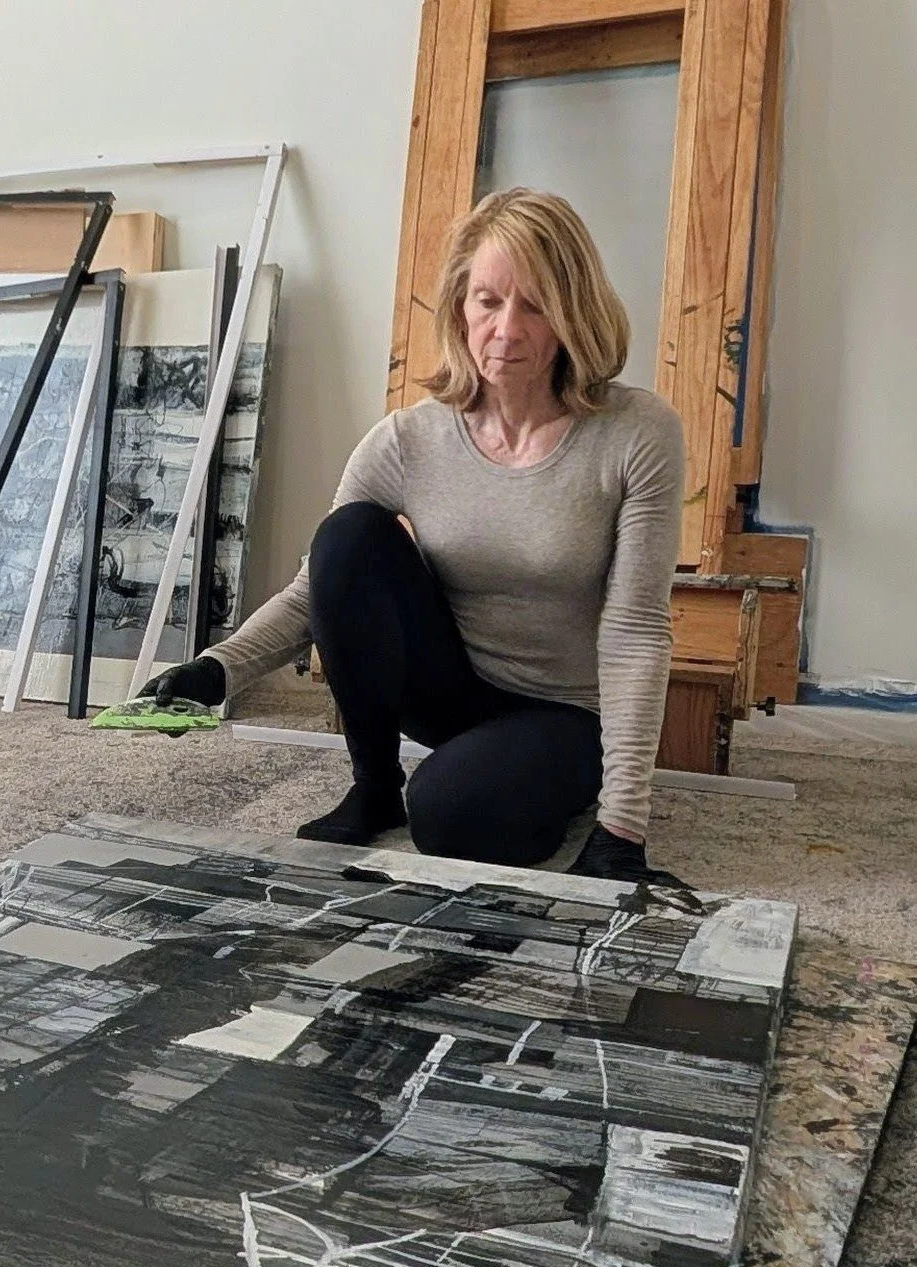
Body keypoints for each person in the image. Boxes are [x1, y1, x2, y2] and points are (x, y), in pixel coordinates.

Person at [145, 188, 684, 882]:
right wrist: (217, 669)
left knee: (453, 819)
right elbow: (321, 586)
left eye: (535, 304)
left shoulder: (637, 434)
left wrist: (623, 829)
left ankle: (504, 784)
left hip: (566, 713)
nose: (506, 330)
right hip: (451, 690)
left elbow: (638, 628)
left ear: (573, 311)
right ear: (461, 306)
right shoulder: (407, 440)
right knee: (349, 535)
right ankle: (372, 791)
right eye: (488, 301)